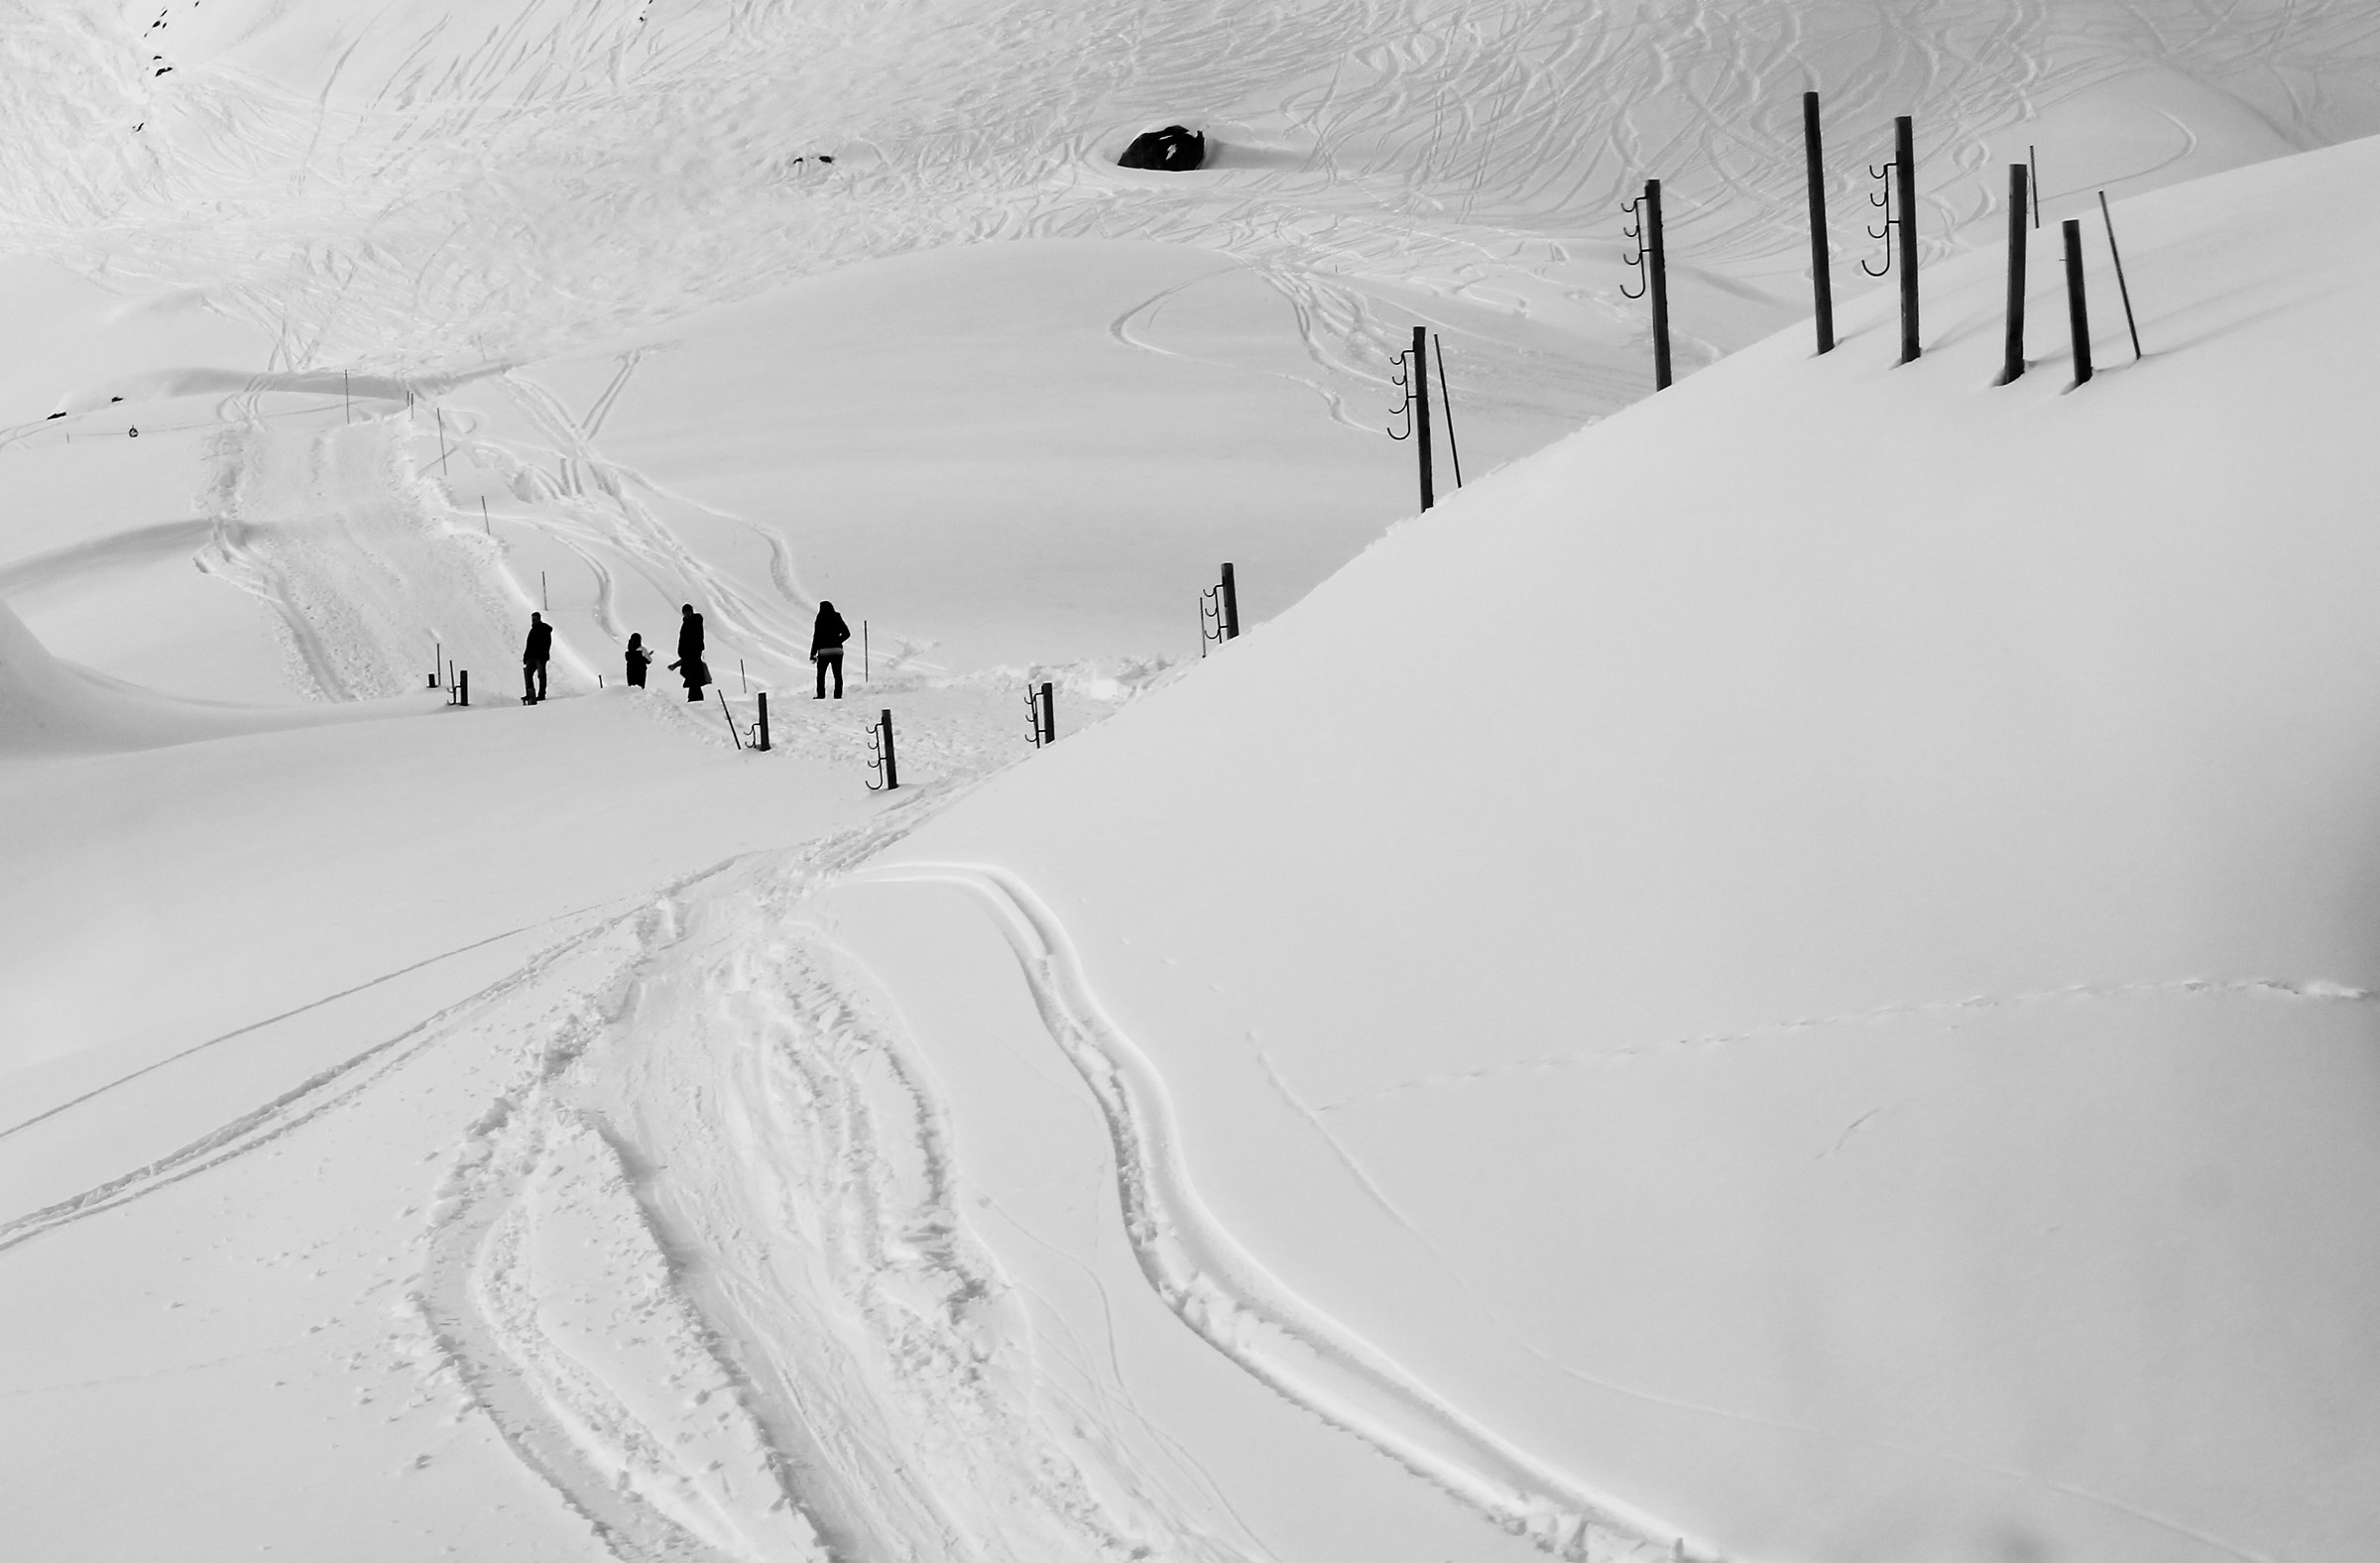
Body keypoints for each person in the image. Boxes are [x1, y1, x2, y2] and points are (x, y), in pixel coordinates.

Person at [811, 600, 850, 699]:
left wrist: (813, 653)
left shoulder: (820, 619)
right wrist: (838, 641)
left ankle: (821, 695)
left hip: (823, 652)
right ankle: (838, 695)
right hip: (837, 651)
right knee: (837, 674)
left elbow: (816, 637)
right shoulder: (837, 617)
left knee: (821, 675)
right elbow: (847, 633)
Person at [670, 602, 709, 702]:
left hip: (694, 653)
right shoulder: (687, 623)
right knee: (692, 678)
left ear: (692, 612)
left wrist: (687, 651)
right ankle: (694, 698)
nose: (687, 614)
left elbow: (693, 638)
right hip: (689, 654)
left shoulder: (695, 621)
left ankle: (695, 699)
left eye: (688, 612)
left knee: (693, 677)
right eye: (685, 612)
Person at [522, 612, 552, 703]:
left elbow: (547, 644)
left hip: (540, 657)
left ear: (539, 619)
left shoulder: (544, 629)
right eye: (532, 619)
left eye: (535, 619)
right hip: (531, 657)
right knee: (528, 674)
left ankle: (541, 694)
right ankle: (530, 693)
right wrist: (526, 656)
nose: (533, 621)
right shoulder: (533, 630)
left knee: (541, 675)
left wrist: (543, 655)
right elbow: (529, 644)